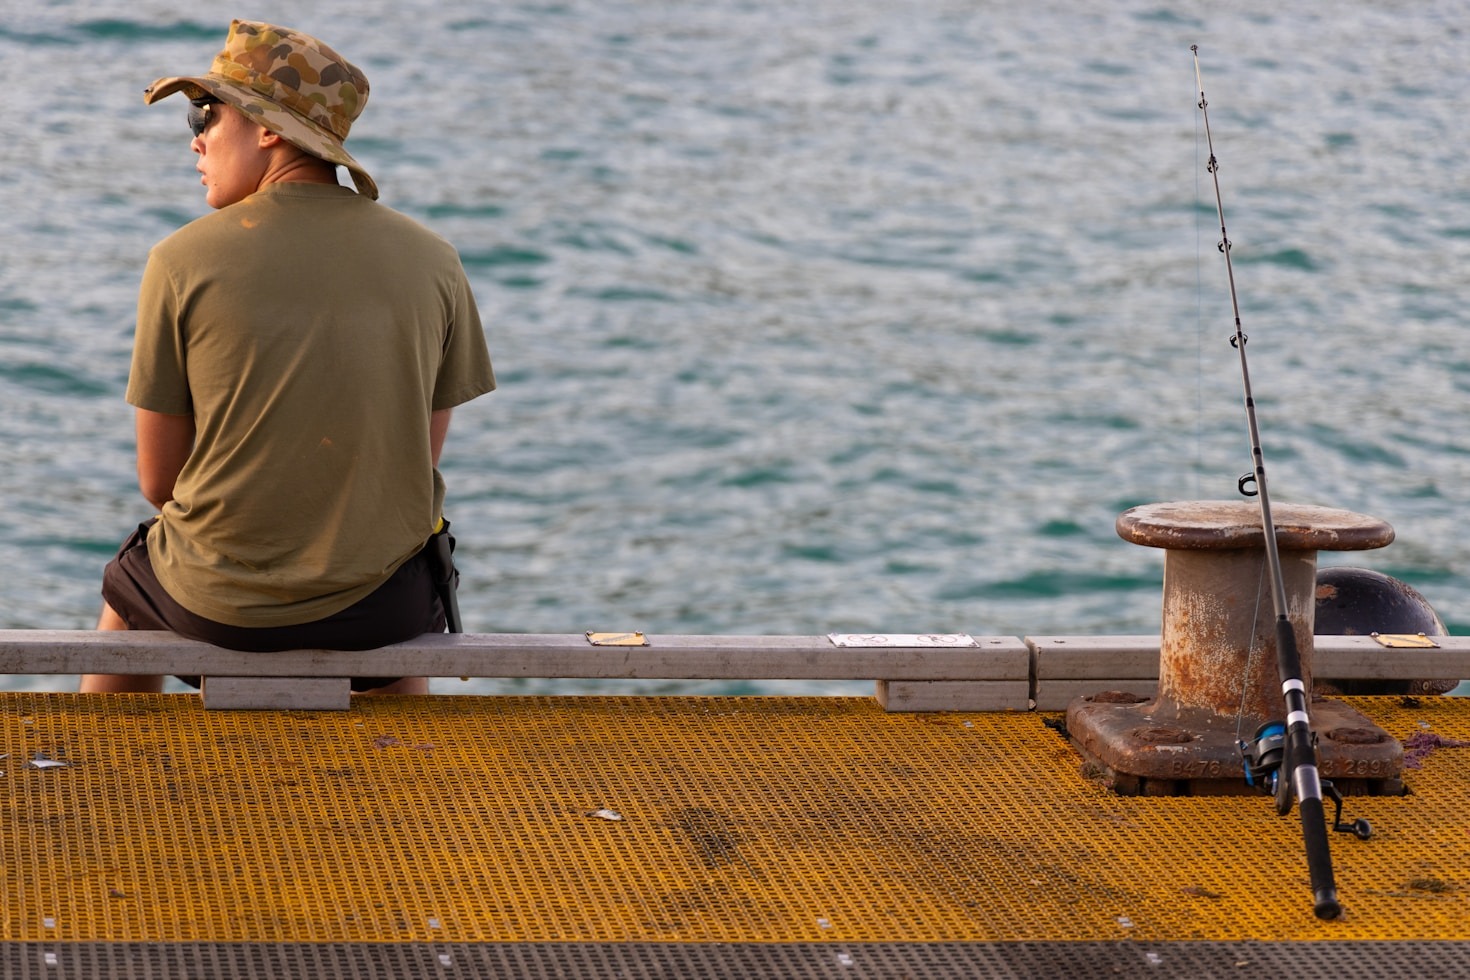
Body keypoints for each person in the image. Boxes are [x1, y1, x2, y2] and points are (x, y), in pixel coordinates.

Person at [84, 20, 494, 695]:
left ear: (268, 129)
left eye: (206, 114)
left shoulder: (181, 260)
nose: (196, 138)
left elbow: (160, 483)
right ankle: (411, 760)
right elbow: (410, 466)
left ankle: (95, 753)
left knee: (127, 586)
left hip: (216, 607)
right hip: (381, 612)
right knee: (396, 565)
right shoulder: (435, 260)